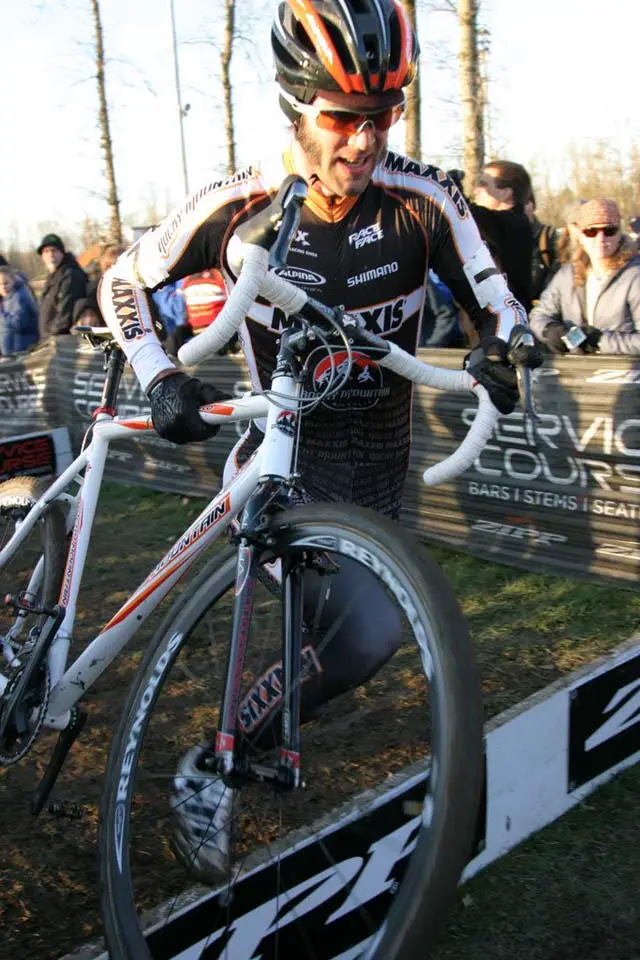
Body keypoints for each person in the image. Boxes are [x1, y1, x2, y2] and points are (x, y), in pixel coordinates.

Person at [99, 0, 539, 880]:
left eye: (384, 115)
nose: (364, 141)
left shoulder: (422, 199)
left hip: (378, 482)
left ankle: (232, 747)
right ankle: (213, 772)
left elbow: (501, 299)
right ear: (295, 107)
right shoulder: (242, 205)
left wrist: (507, 345)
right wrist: (161, 374)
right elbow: (120, 281)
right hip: (281, 470)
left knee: (343, 650)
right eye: (343, 118)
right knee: (342, 641)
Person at [530, 198, 640, 355]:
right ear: (580, 235)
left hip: (626, 372)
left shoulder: (635, 275)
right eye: (591, 232)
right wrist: (549, 331)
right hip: (577, 371)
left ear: (619, 235)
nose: (601, 239)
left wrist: (599, 341)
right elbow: (539, 315)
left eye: (609, 231)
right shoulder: (567, 274)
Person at [469, 160, 534, 311]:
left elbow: (465, 212)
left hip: (511, 321)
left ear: (505, 193)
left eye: (483, 184)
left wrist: (449, 190)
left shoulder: (514, 223)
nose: (476, 191)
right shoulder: (501, 222)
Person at [37, 233, 87, 338]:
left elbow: (65, 314)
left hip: (64, 341)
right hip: (49, 339)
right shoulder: (53, 277)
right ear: (42, 256)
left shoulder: (71, 275)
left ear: (62, 253)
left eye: (54, 250)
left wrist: (51, 337)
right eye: (46, 251)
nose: (50, 254)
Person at [0, 266, 39, 356]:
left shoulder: (19, 297)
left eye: (6, 283)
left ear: (13, 280)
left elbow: (18, 323)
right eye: (0, 284)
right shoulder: (7, 297)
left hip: (21, 348)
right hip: (11, 347)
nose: (3, 287)